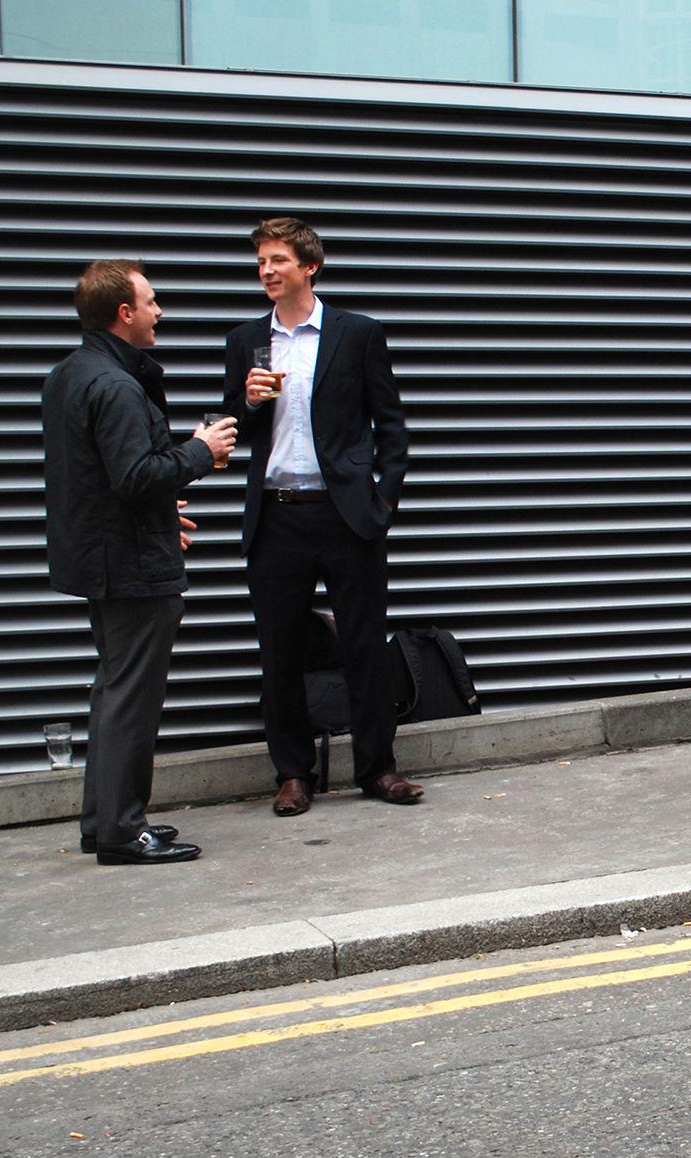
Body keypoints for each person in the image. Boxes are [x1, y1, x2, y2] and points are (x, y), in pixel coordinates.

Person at [222, 218, 419, 817]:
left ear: (310, 266)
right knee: (279, 650)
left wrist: (381, 502)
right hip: (278, 516)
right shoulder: (248, 341)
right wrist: (248, 402)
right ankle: (292, 775)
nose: (266, 270)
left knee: (363, 645)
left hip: (345, 516)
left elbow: (392, 426)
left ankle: (377, 768)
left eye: (277, 259)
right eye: (260, 262)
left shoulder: (356, 334)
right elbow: (233, 428)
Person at [42, 260, 236, 864]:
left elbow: (98, 479)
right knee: (132, 698)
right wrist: (200, 453)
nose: (159, 312)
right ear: (124, 313)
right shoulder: (118, 385)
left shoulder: (70, 374)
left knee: (113, 691)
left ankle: (103, 821)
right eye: (151, 302)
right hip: (132, 569)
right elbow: (133, 476)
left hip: (106, 557)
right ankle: (124, 832)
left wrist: (159, 511)